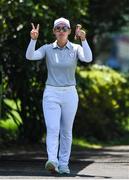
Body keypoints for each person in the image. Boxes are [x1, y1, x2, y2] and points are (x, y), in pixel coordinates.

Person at [26, 17, 92, 174]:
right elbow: (30, 56)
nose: (61, 31)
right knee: (53, 128)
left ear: (69, 31)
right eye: (58, 28)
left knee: (66, 130)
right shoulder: (47, 48)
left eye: (64, 28)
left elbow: (88, 58)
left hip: (70, 93)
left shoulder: (76, 48)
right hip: (51, 93)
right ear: (54, 31)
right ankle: (53, 161)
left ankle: (64, 164)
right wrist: (33, 40)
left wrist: (83, 39)